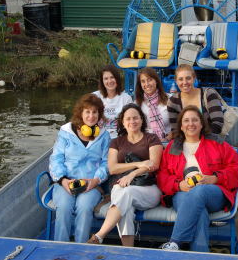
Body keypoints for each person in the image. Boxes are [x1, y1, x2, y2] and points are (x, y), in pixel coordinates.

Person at [157, 106, 238, 252]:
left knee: (200, 191)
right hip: (182, 193)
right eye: (186, 121)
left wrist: (214, 178)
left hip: (213, 193)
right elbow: (162, 176)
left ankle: (175, 241)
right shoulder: (173, 147)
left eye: (195, 120)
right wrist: (178, 185)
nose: (191, 124)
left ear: (202, 124)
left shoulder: (217, 143)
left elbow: (236, 170)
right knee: (200, 213)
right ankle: (201, 255)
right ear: (181, 126)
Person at [87, 103, 163, 246]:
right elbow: (113, 168)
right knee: (125, 209)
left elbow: (153, 164)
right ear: (122, 122)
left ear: (141, 119)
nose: (132, 121)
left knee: (125, 193)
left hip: (149, 189)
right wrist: (138, 164)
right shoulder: (116, 142)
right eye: (128, 119)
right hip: (121, 187)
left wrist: (132, 174)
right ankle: (128, 251)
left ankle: (99, 236)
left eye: (135, 118)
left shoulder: (152, 138)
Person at [49, 93, 110, 243]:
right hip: (65, 182)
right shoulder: (65, 132)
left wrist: (96, 181)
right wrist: (63, 181)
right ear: (80, 113)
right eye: (87, 112)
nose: (91, 116)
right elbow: (56, 159)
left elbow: (106, 162)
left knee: (84, 207)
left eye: (94, 112)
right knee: (63, 207)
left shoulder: (104, 136)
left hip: (91, 184)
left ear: (99, 114)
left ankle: (81, 248)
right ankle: (60, 247)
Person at [167, 64, 224, 137]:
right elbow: (175, 130)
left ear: (194, 78)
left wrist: (198, 141)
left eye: (188, 78)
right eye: (180, 79)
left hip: (210, 140)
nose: (185, 82)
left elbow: (218, 123)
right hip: (186, 141)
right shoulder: (173, 102)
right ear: (176, 81)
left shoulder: (208, 94)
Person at [93, 65, 132, 139]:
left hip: (120, 138)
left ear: (117, 79)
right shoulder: (95, 97)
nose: (109, 81)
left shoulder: (126, 98)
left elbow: (130, 122)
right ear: (102, 81)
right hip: (99, 138)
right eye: (106, 79)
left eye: (112, 77)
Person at [135, 67, 170, 142]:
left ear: (156, 81)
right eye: (143, 81)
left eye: (150, 80)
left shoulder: (169, 99)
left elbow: (177, 127)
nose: (147, 84)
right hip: (145, 142)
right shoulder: (137, 104)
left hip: (167, 141)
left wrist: (165, 139)